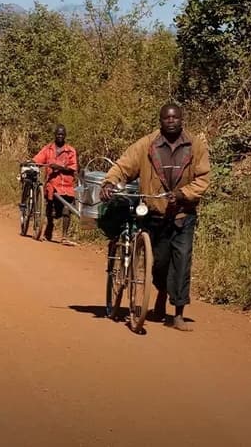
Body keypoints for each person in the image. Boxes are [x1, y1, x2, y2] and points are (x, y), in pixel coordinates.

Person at [100, 103, 210, 331]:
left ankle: (178, 314)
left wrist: (182, 194)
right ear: (160, 121)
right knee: (158, 264)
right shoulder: (146, 144)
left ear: (182, 119)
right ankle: (160, 292)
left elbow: (203, 179)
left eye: (175, 118)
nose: (171, 121)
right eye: (166, 118)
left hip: (183, 214)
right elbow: (124, 165)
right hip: (155, 214)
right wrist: (110, 182)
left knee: (182, 262)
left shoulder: (196, 146)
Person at [32, 125, 79, 245]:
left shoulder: (70, 151)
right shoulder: (48, 149)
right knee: (49, 207)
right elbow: (38, 159)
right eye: (58, 134)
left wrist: (58, 167)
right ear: (55, 135)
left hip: (66, 185)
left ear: (65, 136)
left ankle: (64, 236)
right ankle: (46, 231)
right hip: (52, 184)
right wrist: (31, 163)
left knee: (66, 209)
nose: (60, 136)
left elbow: (72, 168)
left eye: (62, 134)